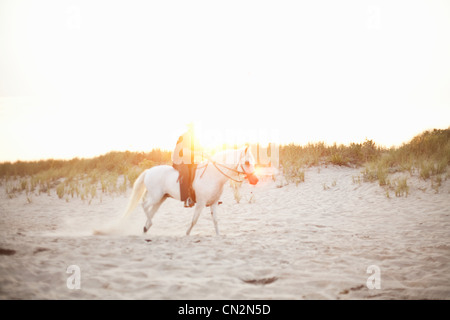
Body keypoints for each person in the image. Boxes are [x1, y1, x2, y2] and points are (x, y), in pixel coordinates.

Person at [172, 124, 197, 207]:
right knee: (186, 174)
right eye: (192, 127)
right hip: (179, 160)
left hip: (188, 160)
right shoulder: (186, 136)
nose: (193, 128)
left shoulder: (194, 137)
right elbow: (185, 152)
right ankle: (186, 199)